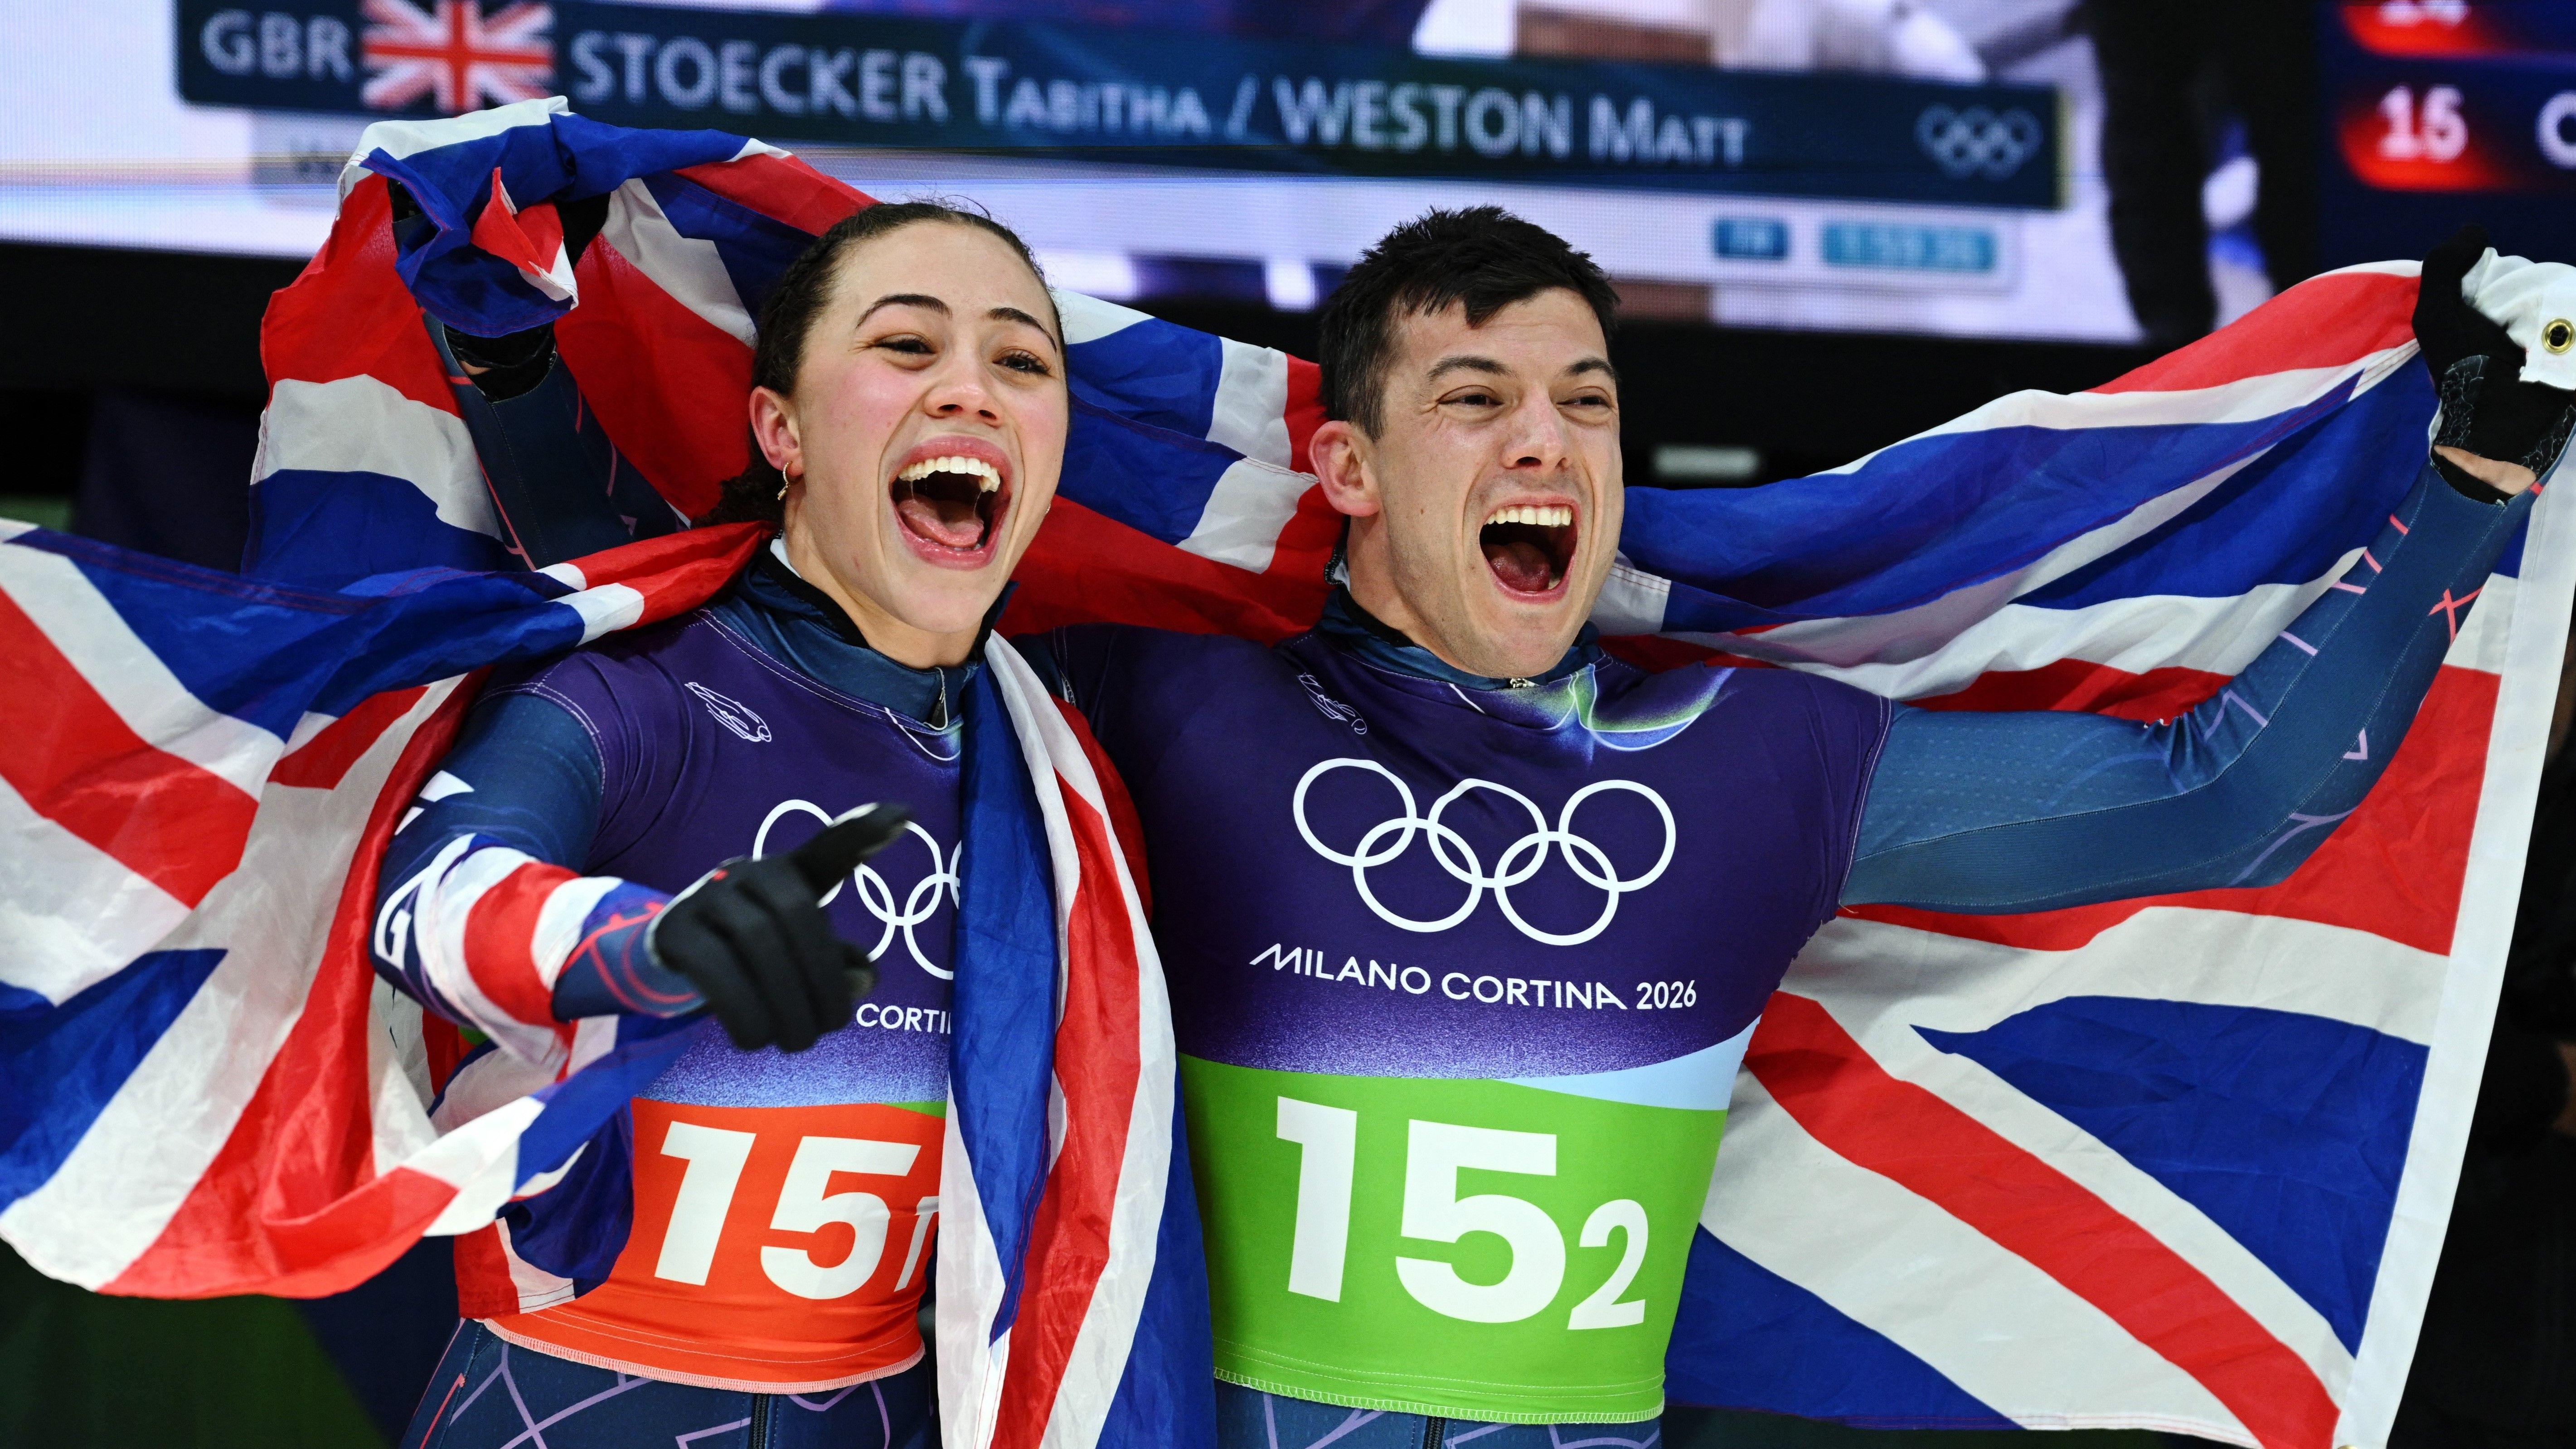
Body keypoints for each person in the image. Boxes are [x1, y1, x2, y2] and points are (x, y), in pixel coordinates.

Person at [399, 204, 2573, 1441]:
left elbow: (2234, 789)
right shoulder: (1151, 716)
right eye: (1475, 399)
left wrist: (2467, 484)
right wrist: (521, 381)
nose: (1547, 446)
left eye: (1585, 405)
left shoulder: (1765, 762)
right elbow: (768, 653)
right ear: (1340, 466)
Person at [371, 200, 1070, 1449]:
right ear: (782, 429)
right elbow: (429, 895)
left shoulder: (1071, 765)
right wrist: (640, 945)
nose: (970, 389)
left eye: (1019, 361)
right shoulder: (635, 692)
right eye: (907, 346)